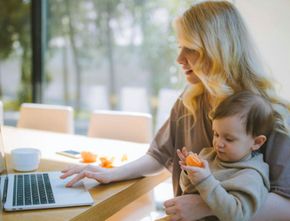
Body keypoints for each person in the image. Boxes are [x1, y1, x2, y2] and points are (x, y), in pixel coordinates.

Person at [60, 1, 290, 220]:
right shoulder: (189, 100)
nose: (179, 59)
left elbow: (285, 203)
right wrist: (111, 173)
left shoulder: (273, 115)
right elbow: (158, 155)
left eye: (190, 49)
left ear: (218, 51)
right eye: (180, 47)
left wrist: (204, 206)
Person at [176, 91, 273, 221]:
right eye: (216, 134)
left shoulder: (251, 176)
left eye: (229, 139)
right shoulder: (208, 155)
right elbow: (187, 190)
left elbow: (237, 216)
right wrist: (189, 172)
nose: (218, 144)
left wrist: (205, 181)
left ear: (256, 142)